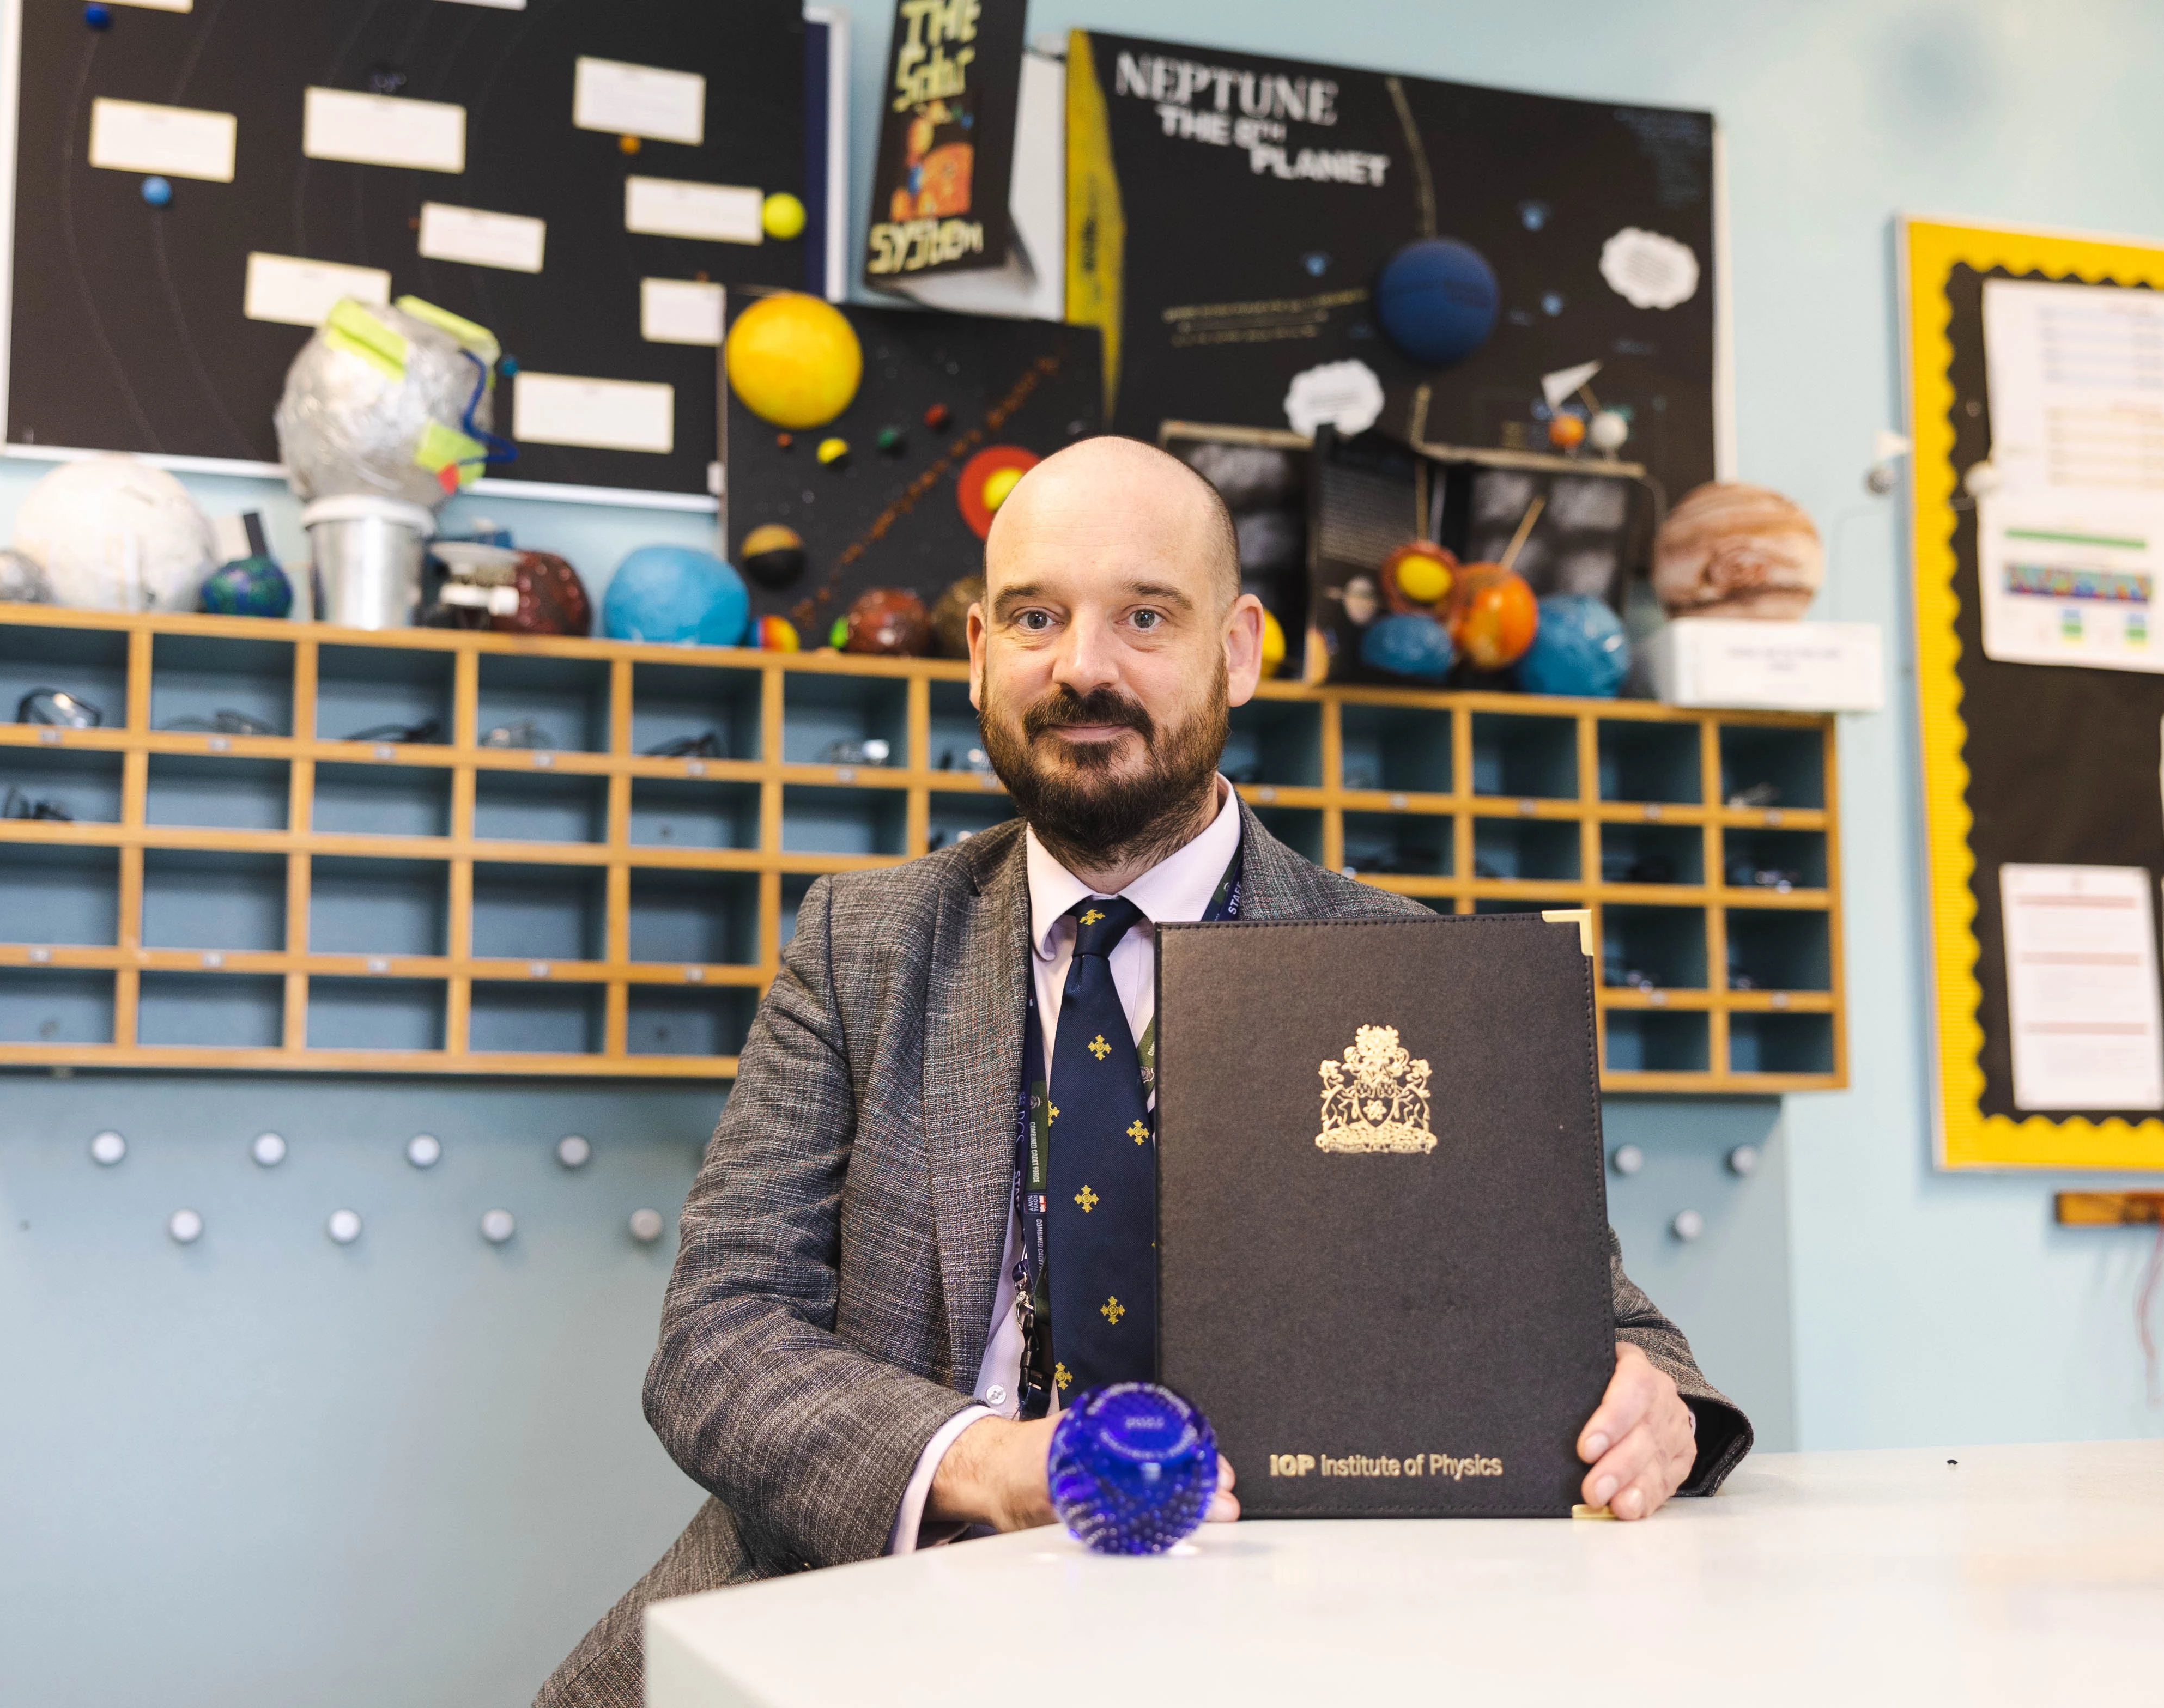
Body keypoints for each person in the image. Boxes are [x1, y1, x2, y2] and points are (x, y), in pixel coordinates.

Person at [537, 437, 1751, 1706]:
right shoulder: (859, 946)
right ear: (977, 656)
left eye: (1143, 616)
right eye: (1035, 616)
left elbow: (1616, 1337)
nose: (1080, 668)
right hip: (859, 1603)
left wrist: (1653, 1409)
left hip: (1280, 1635)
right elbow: (718, 1338)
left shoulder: (1403, 967)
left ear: (1237, 649)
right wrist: (991, 1465)